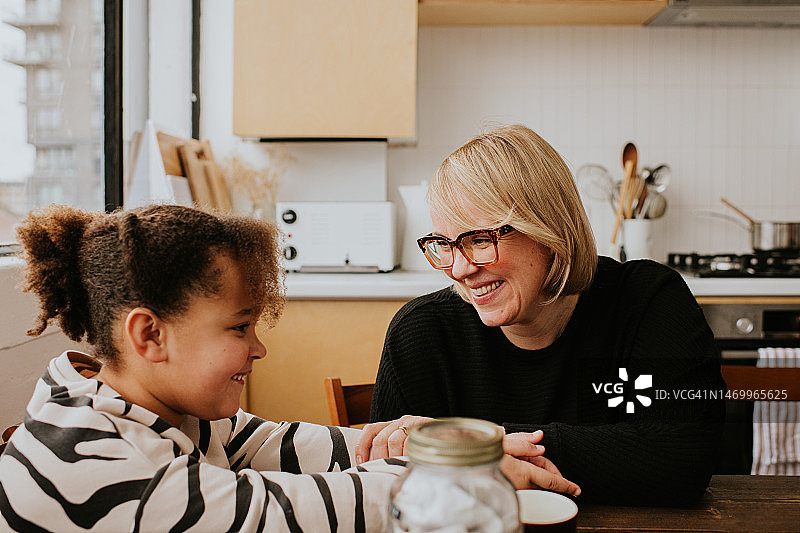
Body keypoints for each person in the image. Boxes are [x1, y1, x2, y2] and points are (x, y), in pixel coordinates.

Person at [358, 125, 726, 506]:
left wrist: (480, 446)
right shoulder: (421, 333)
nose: (460, 269)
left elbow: (685, 457)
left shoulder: (649, 302)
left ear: (548, 231)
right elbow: (384, 487)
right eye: (444, 244)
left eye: (480, 239)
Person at [0, 204, 414, 531]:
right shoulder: (112, 464)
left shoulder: (149, 403)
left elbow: (272, 443)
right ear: (150, 335)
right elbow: (283, 513)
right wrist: (439, 462)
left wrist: (411, 442)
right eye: (240, 328)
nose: (259, 349)